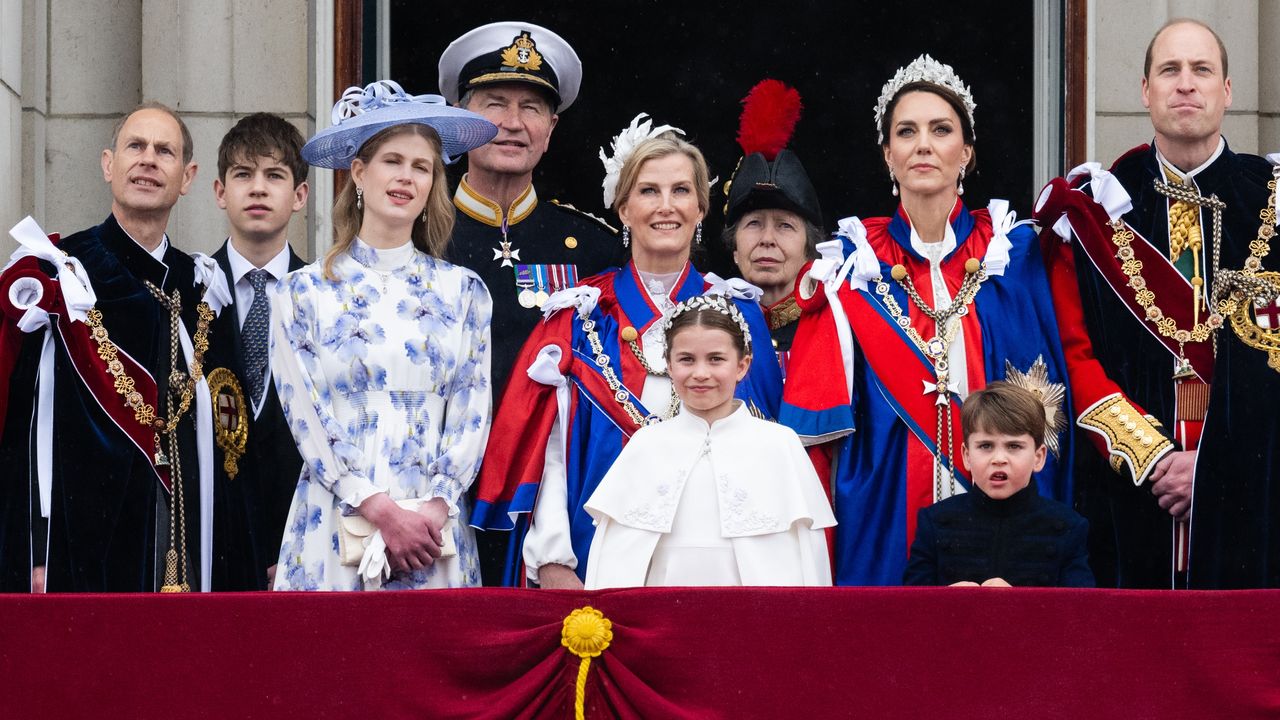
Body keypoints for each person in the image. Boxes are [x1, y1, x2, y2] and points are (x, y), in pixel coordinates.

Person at [780, 55, 1074, 586]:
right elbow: (814, 433)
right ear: (887, 155)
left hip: (1002, 499)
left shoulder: (1015, 251)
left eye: (941, 130)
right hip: (886, 498)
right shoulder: (851, 264)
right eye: (906, 131)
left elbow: (1050, 386)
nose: (923, 144)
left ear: (966, 152)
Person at [472, 119, 784, 589]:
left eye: (681, 190)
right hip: (598, 552)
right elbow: (550, 453)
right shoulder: (578, 318)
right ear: (623, 207)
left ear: (701, 208)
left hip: (716, 560)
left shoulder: (738, 315)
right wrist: (555, 558)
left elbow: (765, 453)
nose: (665, 206)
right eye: (648, 191)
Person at [1032, 19, 1280, 588]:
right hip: (1129, 497)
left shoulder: (1274, 200)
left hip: (1254, 499)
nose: (1185, 84)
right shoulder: (1093, 208)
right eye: (1170, 70)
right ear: (1146, 90)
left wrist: (1216, 467)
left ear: (1228, 90)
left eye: (1201, 70)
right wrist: (1155, 459)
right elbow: (1076, 356)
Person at [269, 81, 496, 591]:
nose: (406, 177)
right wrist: (378, 507)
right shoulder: (301, 293)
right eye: (393, 160)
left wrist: (434, 508)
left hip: (432, 530)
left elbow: (471, 410)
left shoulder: (464, 292)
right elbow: (305, 413)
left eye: (421, 167)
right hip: (336, 513)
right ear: (358, 173)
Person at [0, 102, 222, 592]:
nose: (147, 160)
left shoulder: (200, 287)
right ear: (108, 164)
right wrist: (31, 548)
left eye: (164, 151)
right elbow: (21, 430)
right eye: (135, 146)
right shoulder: (57, 276)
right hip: (77, 554)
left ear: (186, 177)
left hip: (179, 546)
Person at [583, 294, 834, 588]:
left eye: (716, 359)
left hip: (752, 621)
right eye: (687, 359)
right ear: (669, 365)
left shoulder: (780, 444)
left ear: (742, 365)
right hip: (662, 618)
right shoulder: (645, 445)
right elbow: (612, 565)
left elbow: (807, 561)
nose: (700, 374)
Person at [439, 20, 623, 396]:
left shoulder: (595, 248)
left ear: (550, 129)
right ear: (460, 119)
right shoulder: (418, 236)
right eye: (495, 104)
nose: (513, 123)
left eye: (531, 108)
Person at [203, 113, 309, 590]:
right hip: (212, 545)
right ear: (220, 192)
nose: (258, 189)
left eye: (275, 176)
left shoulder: (326, 299)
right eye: (243, 175)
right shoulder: (187, 294)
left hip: (306, 543)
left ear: (300, 195)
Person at [903, 382, 1094, 588]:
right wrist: (945, 601)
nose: (999, 458)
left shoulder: (1068, 527)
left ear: (1038, 457)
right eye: (986, 446)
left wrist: (1015, 604)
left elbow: (1080, 613)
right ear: (967, 456)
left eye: (1014, 446)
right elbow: (911, 610)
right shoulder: (935, 522)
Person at [721, 79, 824, 377]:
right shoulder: (710, 326)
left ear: (810, 250)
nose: (767, 239)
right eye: (753, 224)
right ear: (735, 250)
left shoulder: (837, 329)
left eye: (785, 226)